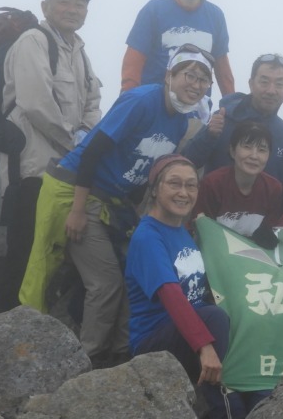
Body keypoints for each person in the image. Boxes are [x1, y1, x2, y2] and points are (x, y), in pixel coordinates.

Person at [18, 44, 213, 367]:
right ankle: (88, 360)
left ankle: (124, 355)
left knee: (128, 274)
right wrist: (78, 210)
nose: (194, 84)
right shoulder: (140, 101)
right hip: (75, 189)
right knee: (102, 282)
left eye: (203, 80)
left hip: (112, 200)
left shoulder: (180, 122)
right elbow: (93, 151)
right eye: (189, 75)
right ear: (170, 75)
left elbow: (147, 178)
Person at [0, 0, 101, 312]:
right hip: (32, 167)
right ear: (45, 6)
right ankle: (7, 328)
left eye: (80, 4)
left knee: (51, 253)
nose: (73, 9)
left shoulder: (80, 51)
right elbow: (35, 101)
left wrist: (87, 132)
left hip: (63, 172)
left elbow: (93, 98)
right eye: (64, 1)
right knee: (23, 249)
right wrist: (76, 144)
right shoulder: (33, 41)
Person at [126, 154, 246, 419]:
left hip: (186, 332)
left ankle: (228, 406)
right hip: (153, 340)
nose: (184, 193)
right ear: (155, 188)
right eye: (175, 184)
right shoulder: (148, 236)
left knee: (225, 314)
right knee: (215, 317)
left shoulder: (182, 230)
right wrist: (205, 347)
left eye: (191, 186)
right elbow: (171, 295)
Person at [122, 0, 234, 105]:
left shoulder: (215, 16)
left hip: (196, 109)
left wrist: (231, 106)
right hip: (154, 105)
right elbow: (133, 62)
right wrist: (128, 101)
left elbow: (223, 70)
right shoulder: (154, 9)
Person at [182, 53, 283, 184]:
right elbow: (187, 163)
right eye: (264, 82)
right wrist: (208, 135)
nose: (271, 90)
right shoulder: (223, 119)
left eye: (279, 84)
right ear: (251, 84)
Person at [193, 120, 281, 248]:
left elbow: (268, 235)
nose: (254, 156)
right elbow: (201, 231)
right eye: (247, 147)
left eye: (262, 150)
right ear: (232, 150)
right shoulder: (212, 184)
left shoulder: (273, 188)